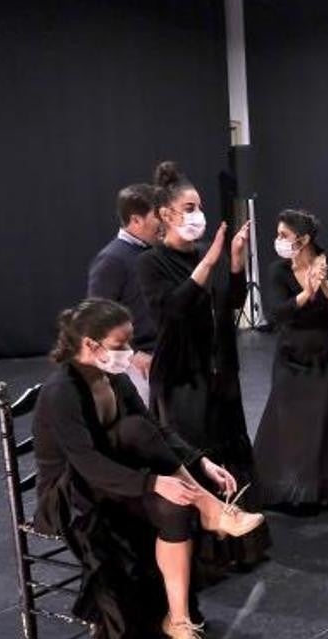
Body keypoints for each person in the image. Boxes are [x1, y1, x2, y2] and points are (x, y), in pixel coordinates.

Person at [32, 299, 264, 639]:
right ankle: (211, 507)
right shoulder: (61, 391)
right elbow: (87, 463)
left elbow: (155, 430)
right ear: (91, 344)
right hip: (72, 492)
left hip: (115, 474)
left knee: (170, 501)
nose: (129, 353)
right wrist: (153, 483)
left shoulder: (114, 378)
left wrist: (200, 461)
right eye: (120, 344)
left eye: (129, 343)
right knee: (139, 438)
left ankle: (179, 621)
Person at [136, 160, 270, 567]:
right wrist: (208, 262)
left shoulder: (202, 254)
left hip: (219, 372)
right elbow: (173, 311)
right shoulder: (151, 263)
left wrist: (233, 262)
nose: (197, 216)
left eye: (199, 207)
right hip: (182, 377)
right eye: (190, 208)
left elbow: (228, 306)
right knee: (199, 456)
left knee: (231, 450)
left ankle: (240, 548)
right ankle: (205, 557)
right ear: (165, 214)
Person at [252, 209, 328, 509]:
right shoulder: (278, 271)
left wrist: (323, 284)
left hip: (323, 354)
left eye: (284, 235)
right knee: (290, 426)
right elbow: (276, 313)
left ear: (304, 238)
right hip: (290, 355)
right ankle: (291, 491)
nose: (279, 240)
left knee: (325, 423)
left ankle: (327, 490)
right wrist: (305, 292)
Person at [87, 183, 164, 401]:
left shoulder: (153, 252)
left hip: (160, 357)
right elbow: (95, 318)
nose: (163, 220)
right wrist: (132, 353)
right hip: (137, 367)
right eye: (157, 215)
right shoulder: (112, 260)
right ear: (136, 220)